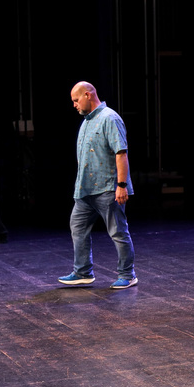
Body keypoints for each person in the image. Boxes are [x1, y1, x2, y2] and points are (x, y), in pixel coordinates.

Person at [58, 81, 137, 289]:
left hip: (107, 188)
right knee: (78, 227)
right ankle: (83, 272)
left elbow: (121, 153)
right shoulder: (86, 121)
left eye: (76, 100)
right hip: (85, 190)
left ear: (87, 95)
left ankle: (127, 275)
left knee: (118, 232)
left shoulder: (109, 118)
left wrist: (121, 185)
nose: (74, 105)